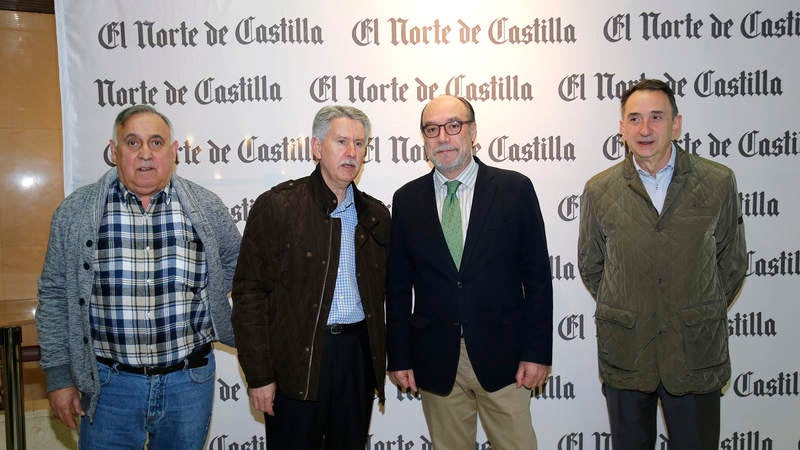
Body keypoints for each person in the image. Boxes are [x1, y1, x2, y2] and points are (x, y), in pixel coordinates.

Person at [36, 105, 241, 449]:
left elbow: (239, 268)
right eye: (133, 143)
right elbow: (55, 296)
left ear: (174, 152)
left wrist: (209, 298)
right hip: (108, 386)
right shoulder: (75, 212)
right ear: (114, 152)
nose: (145, 153)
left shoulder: (207, 208)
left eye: (156, 142)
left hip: (188, 384)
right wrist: (59, 378)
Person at [578, 79, 747, 450]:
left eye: (656, 117)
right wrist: (635, 304)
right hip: (627, 350)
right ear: (621, 128)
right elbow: (592, 266)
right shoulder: (599, 189)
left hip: (694, 351)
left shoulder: (718, 181)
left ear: (676, 124)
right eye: (634, 118)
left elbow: (731, 264)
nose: (645, 129)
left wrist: (691, 305)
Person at [386, 95, 553, 449]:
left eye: (453, 126)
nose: (443, 137)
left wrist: (537, 352)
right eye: (432, 129)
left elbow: (537, 278)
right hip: (436, 359)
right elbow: (398, 287)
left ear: (473, 131)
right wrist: (399, 355)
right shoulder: (406, 200)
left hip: (506, 359)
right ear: (424, 139)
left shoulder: (515, 189)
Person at [231, 105, 390, 449]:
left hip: (356, 358)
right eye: (341, 141)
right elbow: (249, 294)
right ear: (317, 148)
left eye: (360, 144)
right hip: (296, 360)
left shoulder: (375, 215)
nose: (351, 152)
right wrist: (259, 376)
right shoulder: (278, 206)